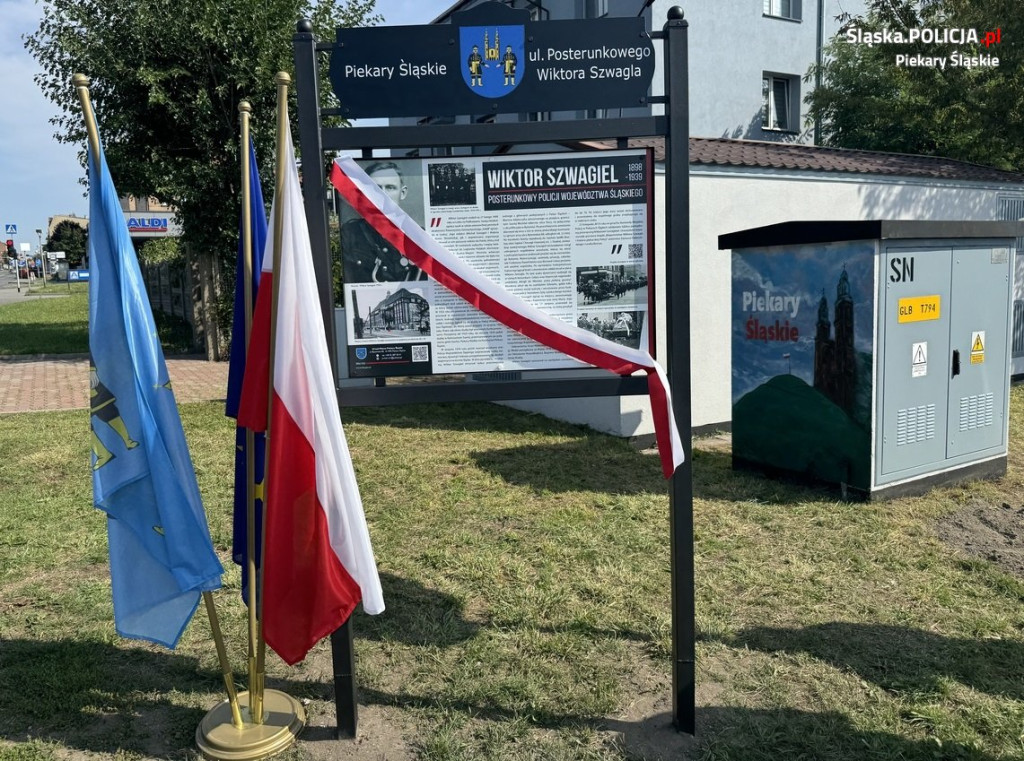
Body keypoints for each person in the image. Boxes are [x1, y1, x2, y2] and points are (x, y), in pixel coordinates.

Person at [340, 161, 424, 283]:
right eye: (376, 188)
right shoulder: (350, 234)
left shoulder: (419, 237)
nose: (383, 194)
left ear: (403, 193)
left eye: (390, 187)